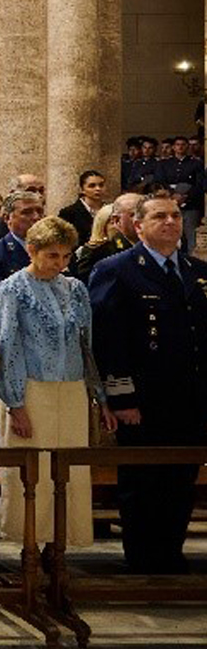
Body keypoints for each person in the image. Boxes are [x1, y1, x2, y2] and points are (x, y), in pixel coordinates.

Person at [89, 194, 206, 573]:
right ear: (138, 226)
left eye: (174, 215)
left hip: (190, 397)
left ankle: (171, 550)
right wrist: (122, 398)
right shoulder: (118, 269)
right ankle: (143, 556)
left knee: (181, 478)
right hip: (143, 399)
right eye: (160, 216)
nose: (171, 222)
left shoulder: (196, 271)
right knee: (143, 480)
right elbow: (108, 340)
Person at [0, 214, 112, 548]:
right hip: (30, 390)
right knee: (34, 476)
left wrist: (98, 395)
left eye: (66, 255)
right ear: (31, 250)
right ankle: (30, 545)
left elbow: (87, 346)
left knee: (71, 475)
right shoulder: (10, 290)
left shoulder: (75, 289)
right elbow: (5, 347)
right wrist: (15, 403)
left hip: (71, 391)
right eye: (52, 255)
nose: (60, 262)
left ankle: (59, 548)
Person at [0, 190, 44, 296]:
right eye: (27, 212)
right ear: (7, 218)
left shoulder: (55, 248)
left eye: (39, 211)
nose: (36, 217)